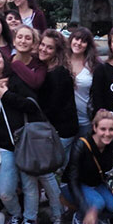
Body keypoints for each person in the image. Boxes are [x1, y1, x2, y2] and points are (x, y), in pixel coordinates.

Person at [0, 47, 64, 224]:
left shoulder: (15, 80)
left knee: (30, 186)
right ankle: (15, 215)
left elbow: (32, 105)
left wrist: (7, 94)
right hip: (5, 147)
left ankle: (29, 221)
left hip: (26, 144)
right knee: (6, 192)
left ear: (5, 61)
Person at [64, 110, 113, 224]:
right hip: (76, 183)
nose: (107, 134)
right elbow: (72, 180)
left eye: (111, 129)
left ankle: (99, 218)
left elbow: (112, 172)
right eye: (103, 129)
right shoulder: (81, 144)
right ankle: (80, 217)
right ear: (94, 128)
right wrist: (87, 210)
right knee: (98, 203)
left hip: (98, 183)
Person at [36, 29, 79, 166]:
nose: (43, 49)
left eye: (49, 47)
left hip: (62, 131)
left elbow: (53, 106)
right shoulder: (47, 68)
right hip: (55, 129)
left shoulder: (59, 73)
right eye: (42, 44)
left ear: (57, 51)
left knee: (53, 172)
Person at [69, 27, 100, 138]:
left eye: (83, 41)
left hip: (86, 121)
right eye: (76, 39)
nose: (79, 43)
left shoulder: (93, 66)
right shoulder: (61, 61)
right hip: (65, 122)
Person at [10, 25, 47, 91]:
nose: (23, 41)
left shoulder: (39, 65)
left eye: (28, 38)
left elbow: (36, 83)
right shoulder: (6, 62)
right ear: (14, 41)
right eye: (19, 37)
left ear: (33, 44)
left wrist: (17, 64)